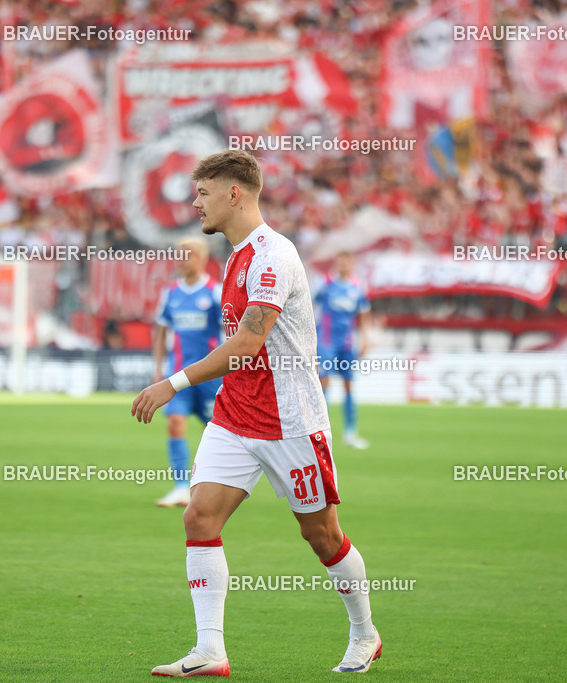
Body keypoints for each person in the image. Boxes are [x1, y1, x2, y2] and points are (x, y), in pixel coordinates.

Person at [132, 150, 381, 676]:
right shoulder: (233, 255)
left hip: (290, 420)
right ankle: (210, 650)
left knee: (323, 536)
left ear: (234, 193)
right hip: (234, 414)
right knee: (198, 516)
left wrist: (172, 382)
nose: (194, 203)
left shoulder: (273, 255)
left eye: (202, 193)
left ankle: (365, 632)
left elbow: (246, 343)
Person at [152, 237, 223, 507]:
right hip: (178, 377)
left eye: (188, 254)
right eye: (179, 254)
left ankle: (215, 488)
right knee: (175, 424)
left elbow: (229, 334)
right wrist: (158, 369)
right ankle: (181, 487)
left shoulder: (215, 292)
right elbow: (160, 331)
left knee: (216, 433)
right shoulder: (170, 293)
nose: (182, 259)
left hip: (209, 377)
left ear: (203, 258)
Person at [314, 250, 372, 449]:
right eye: (340, 263)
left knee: (348, 385)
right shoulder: (325, 285)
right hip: (327, 342)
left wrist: (365, 339)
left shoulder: (358, 288)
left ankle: (350, 433)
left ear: (352, 264)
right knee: (324, 385)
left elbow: (364, 316)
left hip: (347, 343)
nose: (343, 266)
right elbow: (311, 307)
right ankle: (322, 433)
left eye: (346, 263)